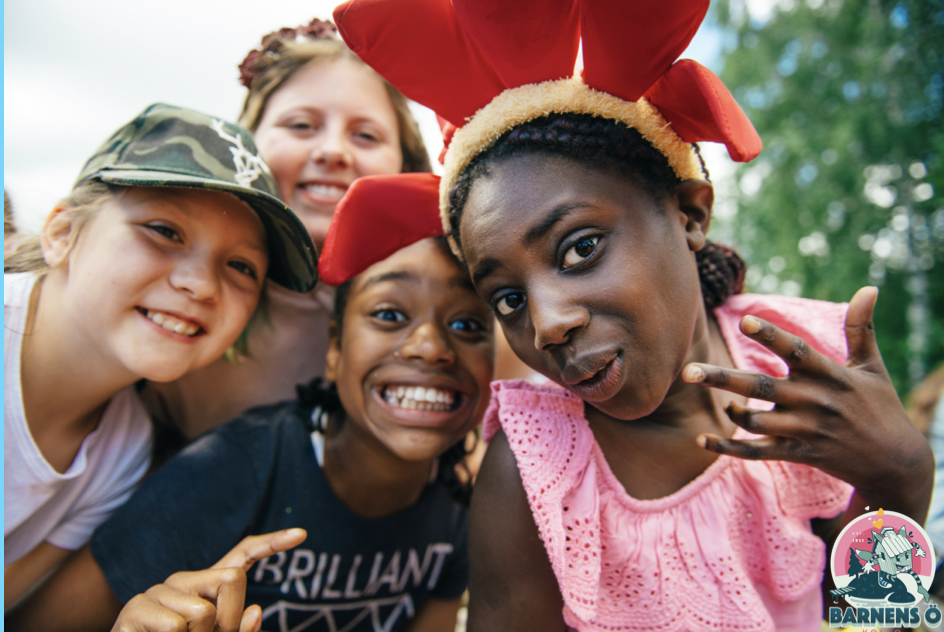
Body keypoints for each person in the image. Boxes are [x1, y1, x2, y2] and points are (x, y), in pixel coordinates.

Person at [333, 1, 935, 630]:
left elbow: (868, 620)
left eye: (580, 248)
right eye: (508, 299)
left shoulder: (799, 364)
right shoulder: (536, 479)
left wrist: (901, 486)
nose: (546, 325)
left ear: (690, 214)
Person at [7, 173, 494, 632]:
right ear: (333, 350)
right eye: (389, 313)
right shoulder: (230, 469)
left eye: (470, 325)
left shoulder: (465, 505)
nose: (430, 347)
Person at [3, 103, 317, 610]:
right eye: (165, 231)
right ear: (62, 233)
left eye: (240, 266)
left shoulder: (123, 449)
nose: (199, 284)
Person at [140, 19, 434, 445]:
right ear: (247, 144)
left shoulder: (450, 294)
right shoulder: (179, 289)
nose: (333, 150)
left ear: (405, 164)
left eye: (366, 135)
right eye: (300, 126)